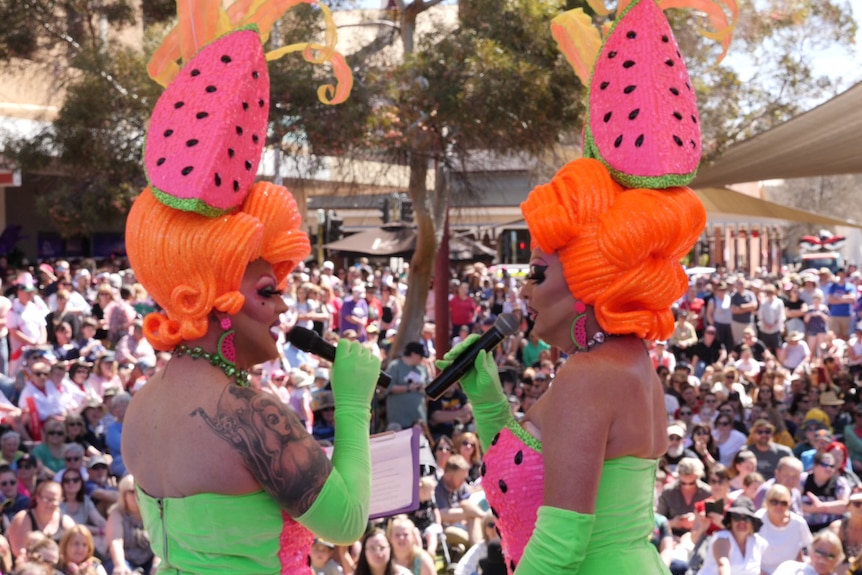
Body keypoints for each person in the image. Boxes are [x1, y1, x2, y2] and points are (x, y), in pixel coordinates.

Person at [121, 6, 372, 570]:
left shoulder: (141, 406)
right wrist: (353, 400)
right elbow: (349, 520)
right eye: (267, 289)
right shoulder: (252, 416)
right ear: (214, 301)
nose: (283, 306)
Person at [696, 496, 768, 575]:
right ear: (731, 520)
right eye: (737, 517)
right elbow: (723, 565)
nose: (742, 522)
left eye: (747, 518)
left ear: (752, 523)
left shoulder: (759, 543)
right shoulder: (722, 538)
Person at [7, 480, 76, 559]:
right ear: (37, 498)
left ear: (61, 500)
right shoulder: (23, 518)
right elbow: (19, 552)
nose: (49, 504)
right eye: (45, 499)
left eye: (53, 500)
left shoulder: (66, 522)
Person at [104, 475, 156, 575]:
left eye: (139, 491)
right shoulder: (117, 513)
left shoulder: (152, 513)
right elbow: (116, 542)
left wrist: (156, 564)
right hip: (125, 560)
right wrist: (120, 565)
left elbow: (161, 540)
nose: (136, 495)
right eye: (132, 491)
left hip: (149, 561)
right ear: (124, 495)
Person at [757, 485, 812, 575]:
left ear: (789, 504)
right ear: (766, 502)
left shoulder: (799, 523)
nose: (779, 506)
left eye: (783, 503)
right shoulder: (758, 519)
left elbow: (809, 548)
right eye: (774, 502)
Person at [384, 342, 430, 430]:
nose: (422, 359)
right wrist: (408, 388)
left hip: (418, 419)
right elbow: (388, 387)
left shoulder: (422, 369)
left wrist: (422, 389)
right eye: (421, 356)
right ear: (413, 354)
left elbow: (429, 387)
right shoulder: (395, 366)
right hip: (399, 420)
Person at [772, 530, 844, 575]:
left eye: (830, 556)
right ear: (810, 550)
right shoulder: (789, 567)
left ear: (838, 560)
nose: (822, 560)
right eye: (819, 552)